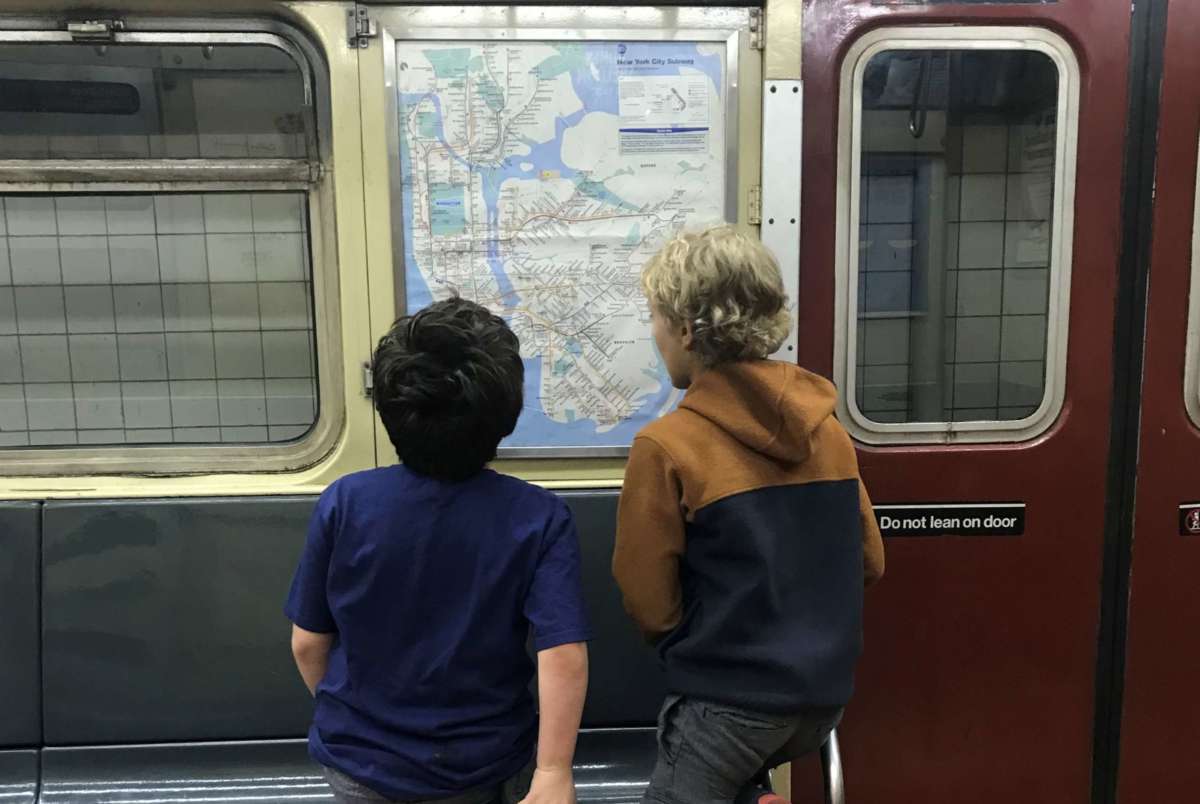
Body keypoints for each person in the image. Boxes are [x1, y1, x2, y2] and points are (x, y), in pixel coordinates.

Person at [613, 226, 885, 804]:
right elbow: (871, 562)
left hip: (726, 705)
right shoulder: (829, 431)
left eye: (655, 317)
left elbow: (649, 603)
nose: (654, 332)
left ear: (686, 329)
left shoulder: (667, 446)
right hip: (823, 703)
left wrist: (706, 646)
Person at [286, 297, 592, 804]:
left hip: (361, 765)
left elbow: (307, 644)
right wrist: (554, 770)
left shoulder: (345, 503)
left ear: (389, 408)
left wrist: (362, 721)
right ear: (506, 414)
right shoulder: (539, 518)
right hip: (482, 765)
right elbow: (561, 654)